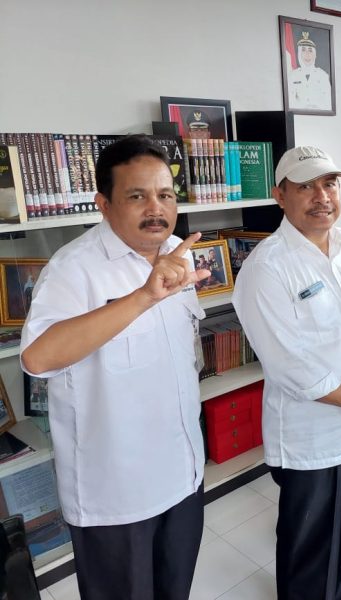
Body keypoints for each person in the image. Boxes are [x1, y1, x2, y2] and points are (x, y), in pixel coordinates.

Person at [20, 135, 210, 600]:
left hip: (183, 475)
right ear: (103, 204)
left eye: (165, 195)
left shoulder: (178, 259)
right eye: (137, 195)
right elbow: (37, 357)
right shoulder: (74, 269)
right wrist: (142, 297)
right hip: (116, 494)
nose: (156, 208)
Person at [232, 145, 341, 600]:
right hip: (315, 438)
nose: (321, 196)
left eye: (329, 183)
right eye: (305, 186)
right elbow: (292, 366)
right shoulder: (266, 268)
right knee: (310, 551)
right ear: (280, 195)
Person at [287, 32, 332, 111]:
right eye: (303, 50)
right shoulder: (292, 76)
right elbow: (290, 102)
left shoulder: (323, 75)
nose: (307, 54)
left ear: (315, 55)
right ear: (299, 54)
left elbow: (328, 103)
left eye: (310, 50)